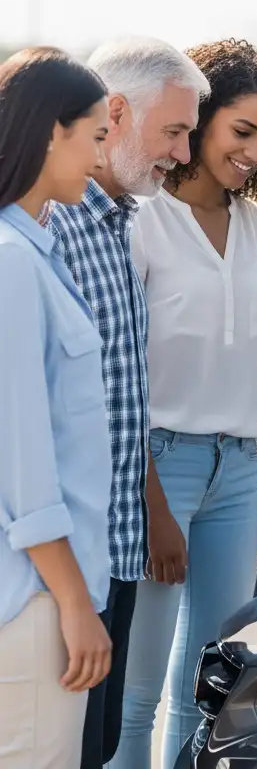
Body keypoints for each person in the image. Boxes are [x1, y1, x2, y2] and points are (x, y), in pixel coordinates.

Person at [110, 39, 257, 769]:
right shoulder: (140, 219)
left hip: (237, 471)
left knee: (212, 681)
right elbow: (122, 378)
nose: (256, 153)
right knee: (136, 691)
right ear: (199, 121)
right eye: (242, 133)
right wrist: (155, 506)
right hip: (157, 464)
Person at [47, 37, 208, 769]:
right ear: (114, 113)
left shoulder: (120, 224)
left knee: (101, 743)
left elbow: (120, 399)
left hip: (111, 551)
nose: (182, 152)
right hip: (59, 570)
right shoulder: (48, 232)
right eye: (174, 131)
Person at [0, 48, 114, 768]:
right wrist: (75, 602)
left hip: (44, 590)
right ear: (51, 132)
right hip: (34, 598)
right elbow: (23, 462)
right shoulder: (11, 261)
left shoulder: (37, 248)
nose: (103, 157)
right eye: (97, 135)